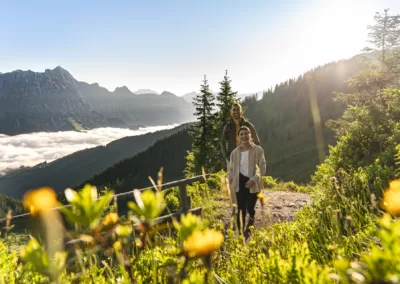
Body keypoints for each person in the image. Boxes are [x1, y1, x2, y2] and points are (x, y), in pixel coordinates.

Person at [227, 126, 266, 234]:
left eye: (246, 133)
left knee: (250, 208)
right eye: (241, 134)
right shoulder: (234, 152)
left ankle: (252, 217)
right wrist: (228, 181)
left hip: (253, 183)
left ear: (250, 135)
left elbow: (262, 168)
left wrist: (254, 179)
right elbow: (231, 169)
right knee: (241, 209)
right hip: (239, 182)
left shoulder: (258, 150)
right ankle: (241, 233)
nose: (244, 136)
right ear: (239, 137)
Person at [220, 103, 260, 170]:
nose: (236, 112)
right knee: (233, 180)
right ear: (231, 112)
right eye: (234, 110)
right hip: (232, 159)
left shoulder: (249, 125)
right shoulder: (227, 127)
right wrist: (226, 156)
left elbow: (257, 142)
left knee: (248, 179)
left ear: (241, 111)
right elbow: (222, 142)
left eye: (238, 110)